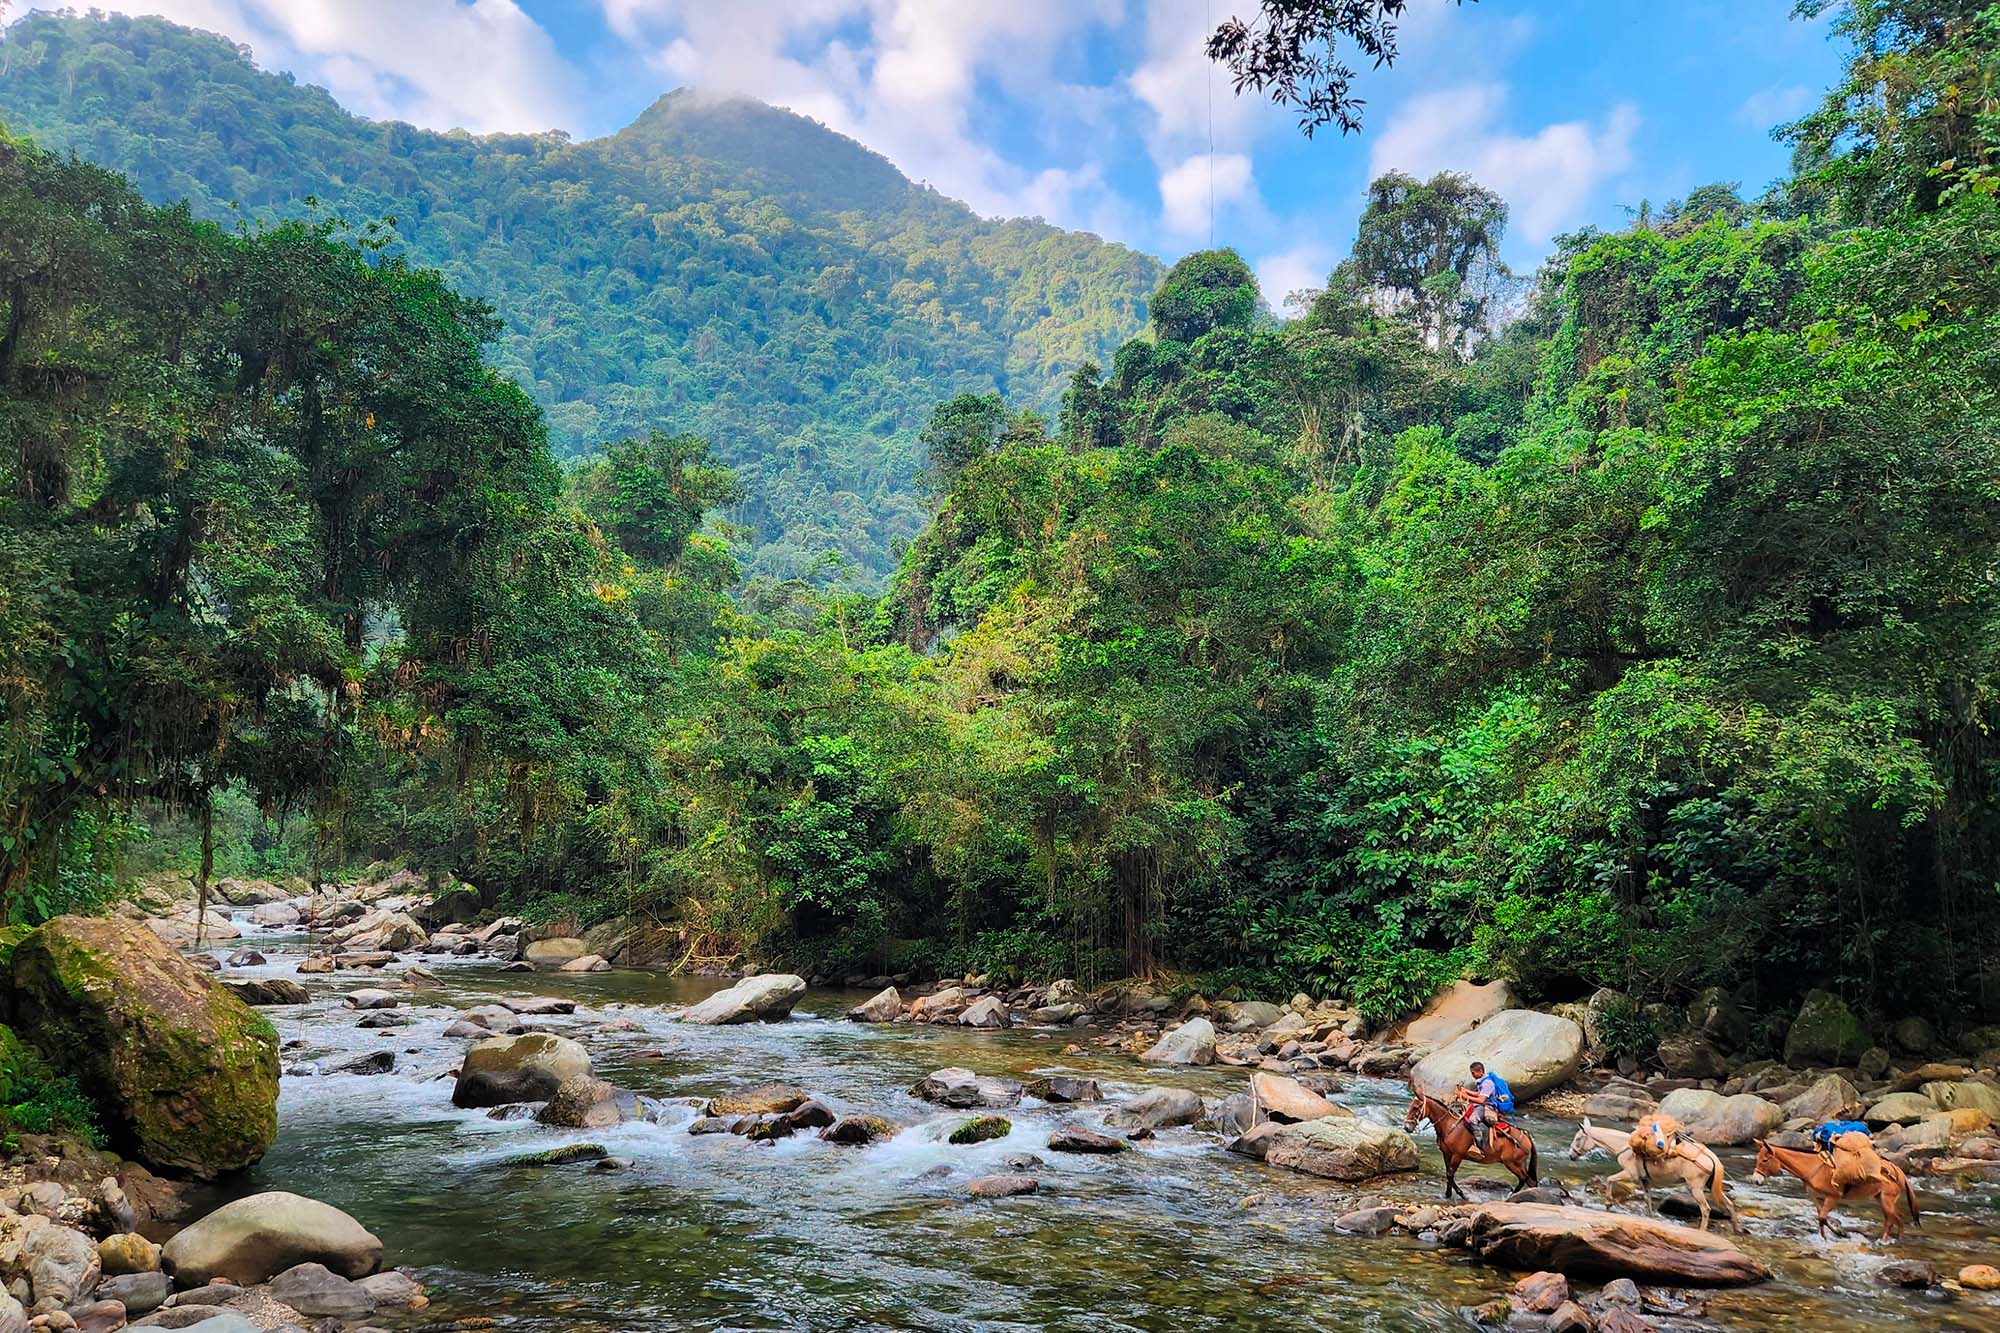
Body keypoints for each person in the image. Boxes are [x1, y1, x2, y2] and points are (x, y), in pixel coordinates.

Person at [1459, 1060, 1514, 1152]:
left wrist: (1466, 1097)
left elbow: (1481, 1100)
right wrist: (1465, 1091)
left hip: (1487, 1106)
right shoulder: (1484, 1081)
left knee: (1472, 1120)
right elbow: (1479, 1093)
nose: (1472, 1075)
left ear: (1480, 1071)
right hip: (1483, 1104)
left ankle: (1479, 1147)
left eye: (1473, 1073)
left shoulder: (1487, 1083)